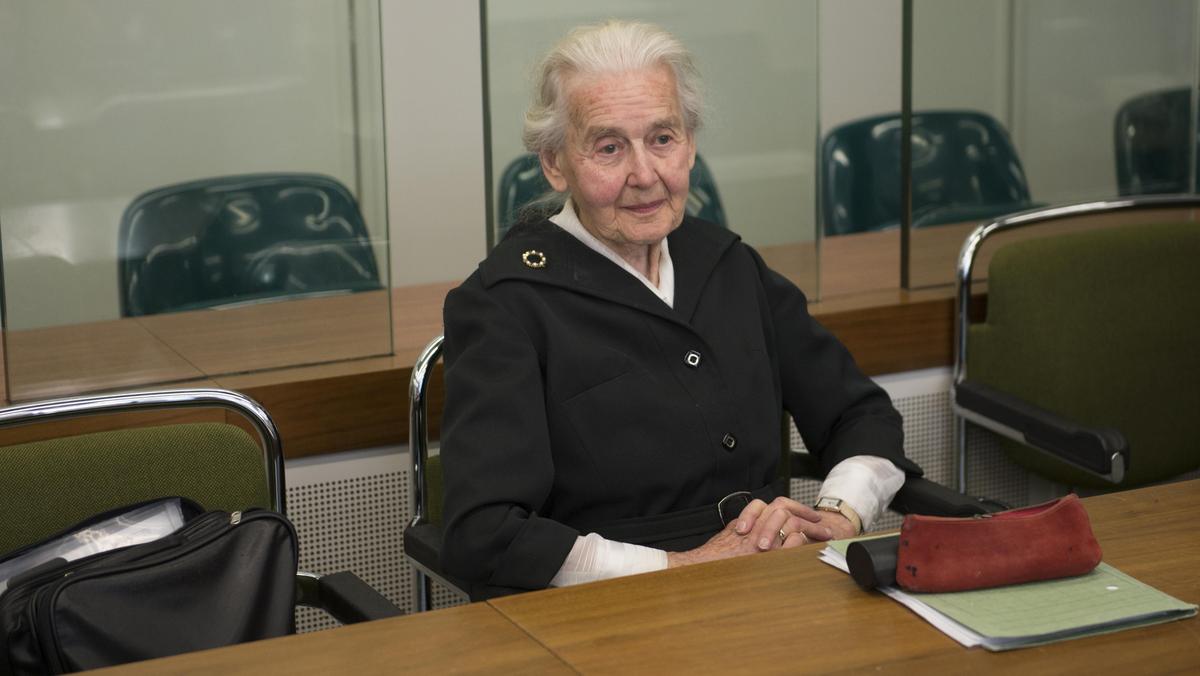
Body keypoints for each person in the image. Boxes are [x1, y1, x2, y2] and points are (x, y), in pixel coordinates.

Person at [439, 19, 920, 599]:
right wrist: (679, 569)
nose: (644, 176)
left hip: (775, 591)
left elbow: (860, 414)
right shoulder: (503, 304)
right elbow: (486, 534)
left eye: (662, 139)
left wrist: (838, 515)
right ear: (555, 163)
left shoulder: (728, 263)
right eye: (609, 147)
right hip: (611, 614)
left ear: (690, 143)